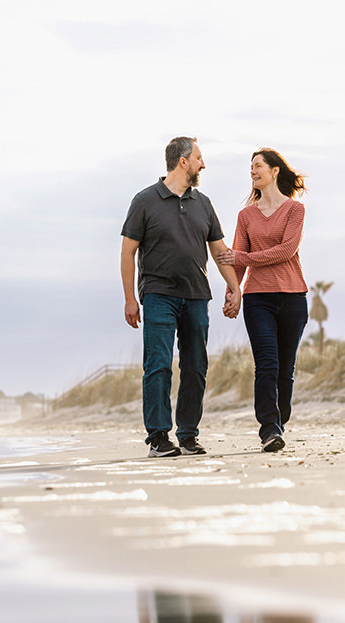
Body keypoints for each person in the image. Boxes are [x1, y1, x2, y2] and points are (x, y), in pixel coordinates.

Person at [121, 136, 241, 457]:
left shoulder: (204, 204)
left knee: (196, 366)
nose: (204, 164)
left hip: (197, 296)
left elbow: (219, 251)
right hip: (159, 294)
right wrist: (130, 298)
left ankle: (188, 434)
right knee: (158, 365)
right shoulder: (145, 200)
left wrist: (234, 286)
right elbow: (128, 251)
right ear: (183, 161)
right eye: (199, 158)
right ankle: (159, 437)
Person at [216, 148, 309, 453]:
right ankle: (269, 429)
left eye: (258, 166)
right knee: (266, 363)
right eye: (251, 167)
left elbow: (286, 250)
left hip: (293, 297)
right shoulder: (246, 216)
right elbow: (237, 261)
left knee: (286, 369)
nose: (253, 172)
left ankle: (280, 422)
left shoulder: (295, 210)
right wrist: (234, 291)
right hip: (258, 299)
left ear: (274, 172)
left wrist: (242, 257)